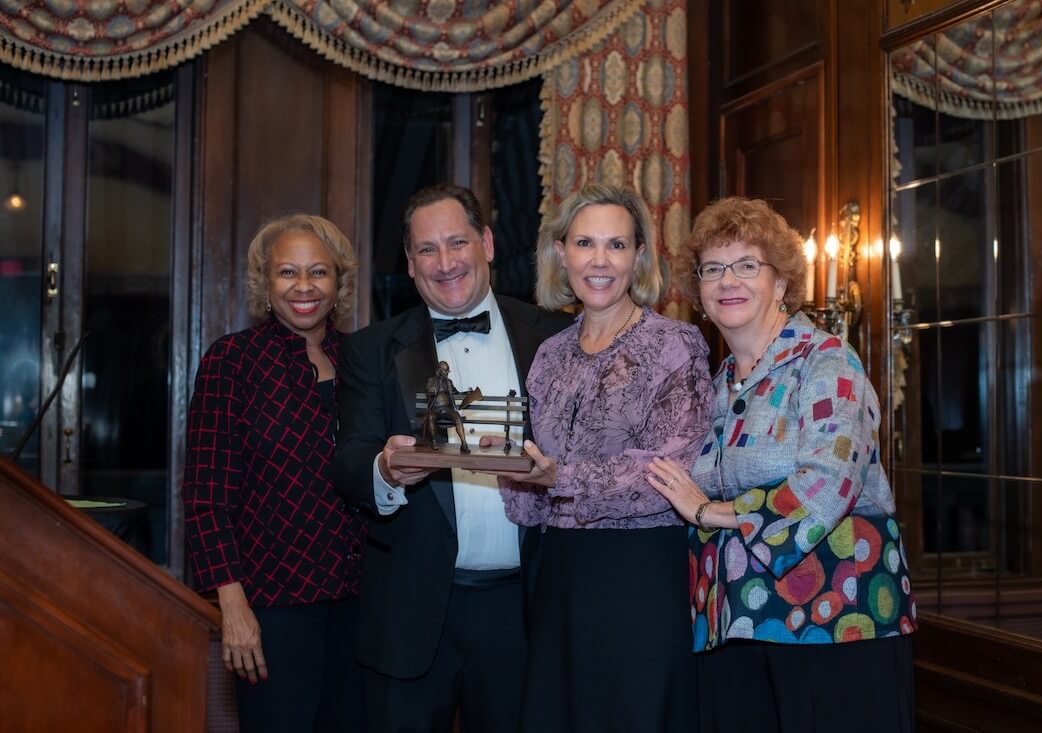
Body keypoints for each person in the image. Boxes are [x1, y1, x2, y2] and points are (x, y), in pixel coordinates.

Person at [646, 196, 917, 733]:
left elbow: (828, 482)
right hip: (734, 629)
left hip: (837, 626)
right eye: (714, 269)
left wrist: (711, 513)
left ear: (780, 283)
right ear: (698, 290)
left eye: (748, 265)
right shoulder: (712, 387)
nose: (729, 280)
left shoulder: (827, 360)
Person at [332, 183, 571, 733]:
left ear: (486, 243)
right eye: (427, 249)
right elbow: (348, 460)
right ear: (410, 264)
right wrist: (386, 471)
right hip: (411, 614)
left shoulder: (555, 336)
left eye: (457, 242)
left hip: (525, 613)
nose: (445, 263)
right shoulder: (372, 348)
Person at [493, 184, 713, 733]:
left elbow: (666, 473)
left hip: (639, 578)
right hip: (557, 578)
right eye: (585, 242)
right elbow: (533, 501)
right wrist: (510, 469)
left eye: (616, 245)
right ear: (559, 252)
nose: (599, 260)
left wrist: (556, 476)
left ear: (639, 256)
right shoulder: (548, 354)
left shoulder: (675, 345)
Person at [182, 214, 366, 733]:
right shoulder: (232, 361)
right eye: (288, 273)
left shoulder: (362, 360)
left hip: (359, 604)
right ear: (265, 283)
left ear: (339, 281)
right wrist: (233, 606)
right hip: (273, 609)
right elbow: (205, 497)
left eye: (318, 272)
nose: (304, 287)